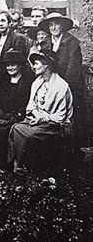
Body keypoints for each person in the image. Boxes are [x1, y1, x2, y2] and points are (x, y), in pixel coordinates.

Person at [8, 49, 73, 172]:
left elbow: (61, 116)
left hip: (54, 125)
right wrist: (37, 116)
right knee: (16, 128)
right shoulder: (37, 83)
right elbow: (30, 106)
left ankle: (30, 167)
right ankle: (17, 166)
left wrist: (42, 118)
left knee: (30, 135)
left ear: (46, 65)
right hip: (37, 120)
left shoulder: (61, 86)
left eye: (37, 63)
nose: (34, 67)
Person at [38, 12, 87, 145]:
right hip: (51, 84)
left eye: (57, 25)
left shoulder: (72, 43)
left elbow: (73, 69)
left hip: (70, 85)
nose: (54, 28)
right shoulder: (45, 43)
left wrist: (61, 87)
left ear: (63, 26)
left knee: (69, 118)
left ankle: (72, 151)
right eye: (51, 25)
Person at [0, 49, 33, 168]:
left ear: (20, 65)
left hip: (18, 116)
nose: (10, 68)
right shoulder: (2, 80)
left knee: (3, 131)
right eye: (8, 65)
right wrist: (0, 113)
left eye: (13, 65)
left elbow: (27, 102)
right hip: (1, 114)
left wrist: (12, 117)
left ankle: (5, 164)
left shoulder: (28, 81)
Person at [0, 9, 28, 86]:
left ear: (9, 22)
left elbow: (21, 60)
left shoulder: (18, 38)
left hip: (10, 78)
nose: (1, 24)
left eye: (3, 21)